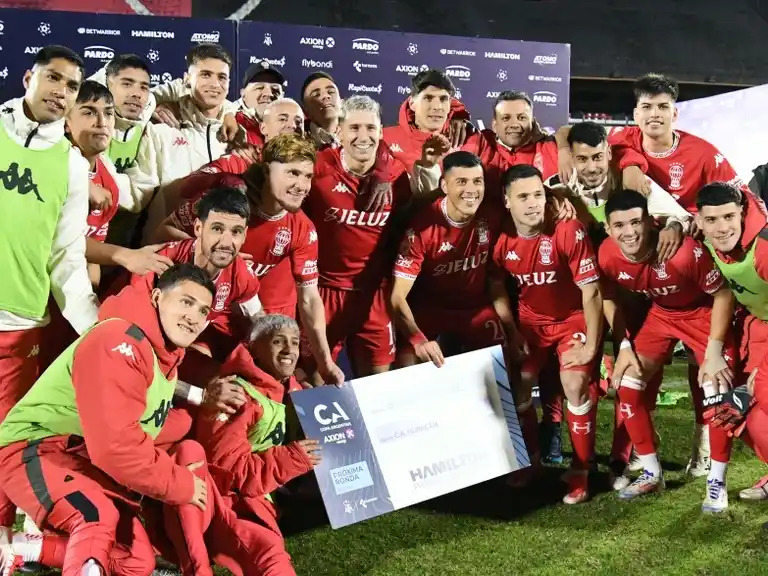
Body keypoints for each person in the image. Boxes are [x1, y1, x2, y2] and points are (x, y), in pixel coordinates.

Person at [0, 264, 218, 576]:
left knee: (136, 561)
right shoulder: (120, 341)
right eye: (186, 302)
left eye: (203, 310)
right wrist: (179, 483)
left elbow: (142, 428)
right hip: (37, 447)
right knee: (94, 516)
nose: (194, 316)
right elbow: (115, 446)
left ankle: (23, 548)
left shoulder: (164, 357)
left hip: (82, 457)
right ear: (157, 297)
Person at [0, 45, 101, 561]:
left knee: (3, 444)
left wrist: (95, 329)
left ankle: (1, 545)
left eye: (72, 86)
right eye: (53, 79)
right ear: (27, 78)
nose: (61, 92)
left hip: (19, 326)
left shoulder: (71, 164)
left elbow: (67, 256)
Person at [156, 135, 343, 385]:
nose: (302, 185)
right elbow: (163, 230)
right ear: (266, 171)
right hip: (200, 315)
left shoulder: (301, 228)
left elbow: (309, 299)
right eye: (292, 173)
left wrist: (325, 362)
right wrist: (207, 250)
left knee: (278, 381)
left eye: (307, 176)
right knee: (209, 376)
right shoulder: (227, 204)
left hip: (246, 318)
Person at [599, 189, 735, 512]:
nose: (629, 232)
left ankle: (717, 482)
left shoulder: (682, 252)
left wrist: (714, 349)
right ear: (607, 229)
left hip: (702, 313)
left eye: (636, 222)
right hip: (661, 316)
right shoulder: (606, 254)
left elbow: (724, 295)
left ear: (650, 222)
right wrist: (623, 345)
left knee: (716, 389)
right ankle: (651, 471)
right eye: (619, 225)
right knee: (627, 383)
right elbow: (606, 297)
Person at [38, 80, 174, 373]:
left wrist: (95, 288)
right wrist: (124, 255)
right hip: (46, 298)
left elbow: (95, 233)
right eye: (88, 112)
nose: (102, 122)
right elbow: (58, 244)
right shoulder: (55, 166)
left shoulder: (103, 164)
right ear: (65, 122)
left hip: (80, 290)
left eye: (109, 113)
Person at [489, 164, 603, 505]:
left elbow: (592, 292)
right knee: (519, 386)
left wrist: (593, 346)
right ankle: (531, 462)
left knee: (573, 385)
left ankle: (581, 470)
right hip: (531, 324)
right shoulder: (500, 237)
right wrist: (512, 330)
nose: (533, 203)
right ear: (507, 201)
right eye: (523, 197)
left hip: (572, 321)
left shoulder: (568, 230)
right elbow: (495, 283)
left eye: (538, 195)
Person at [196, 315, 322, 576]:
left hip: (270, 496)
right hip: (235, 504)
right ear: (252, 347)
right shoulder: (235, 395)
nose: (289, 350)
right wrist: (292, 458)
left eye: (295, 343)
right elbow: (227, 472)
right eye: (278, 341)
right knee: (271, 561)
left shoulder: (288, 389)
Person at [303, 95, 414, 379]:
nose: (362, 137)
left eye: (370, 128)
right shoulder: (317, 168)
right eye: (354, 128)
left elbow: (406, 226)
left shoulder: (398, 175)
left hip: (374, 296)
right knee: (317, 386)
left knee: (376, 386)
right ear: (339, 131)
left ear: (380, 132)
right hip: (324, 293)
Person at [127, 187, 263, 371]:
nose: (226, 242)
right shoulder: (161, 263)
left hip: (181, 347)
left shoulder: (241, 273)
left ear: (245, 235)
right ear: (198, 228)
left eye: (236, 232)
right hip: (136, 348)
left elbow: (260, 320)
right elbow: (130, 332)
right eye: (217, 229)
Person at [391, 150, 505, 366]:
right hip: (431, 310)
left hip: (476, 308)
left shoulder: (493, 214)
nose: (471, 190)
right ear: (444, 186)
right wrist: (418, 340)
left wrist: (558, 199)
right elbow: (397, 296)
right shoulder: (422, 228)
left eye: (477, 182)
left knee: (509, 361)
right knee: (408, 361)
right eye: (461, 182)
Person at [695, 181, 768, 501]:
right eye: (712, 220)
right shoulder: (704, 238)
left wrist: (759, 378)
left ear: (742, 212)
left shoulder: (764, 248)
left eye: (728, 217)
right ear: (699, 220)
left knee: (759, 394)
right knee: (731, 408)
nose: (722, 228)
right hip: (758, 327)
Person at [127, 43, 242, 241]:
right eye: (205, 74)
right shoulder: (161, 129)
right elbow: (138, 193)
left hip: (219, 254)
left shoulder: (238, 134)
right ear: (187, 79)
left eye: (222, 77)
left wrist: (230, 113)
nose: (215, 84)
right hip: (166, 252)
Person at [382, 69, 472, 174]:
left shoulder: (468, 137)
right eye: (428, 98)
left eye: (443, 99)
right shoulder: (384, 139)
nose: (437, 107)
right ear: (412, 104)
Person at [234, 61, 287, 147]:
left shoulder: (294, 126)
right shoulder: (226, 122)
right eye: (259, 87)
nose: (268, 94)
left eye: (275, 89)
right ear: (243, 94)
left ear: (283, 96)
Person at [300, 72, 342, 149]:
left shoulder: (355, 134)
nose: (325, 96)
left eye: (331, 92)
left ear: (341, 101)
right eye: (316, 95)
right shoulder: (299, 142)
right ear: (306, 111)